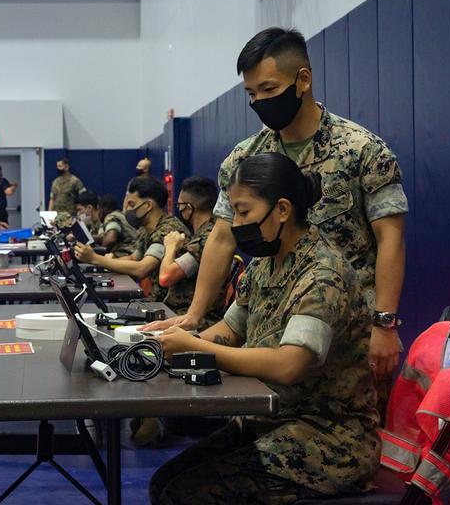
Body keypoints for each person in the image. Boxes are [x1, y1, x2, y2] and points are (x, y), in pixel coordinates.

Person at [144, 27, 409, 385]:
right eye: (251, 94)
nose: (260, 102)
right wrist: (193, 316)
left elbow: (390, 239)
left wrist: (385, 322)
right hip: (271, 333)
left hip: (348, 334)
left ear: (303, 79)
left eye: (269, 90)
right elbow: (221, 239)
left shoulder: (363, 151)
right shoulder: (245, 159)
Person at [150, 152, 379, 503]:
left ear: (282, 210)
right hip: (272, 420)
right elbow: (230, 328)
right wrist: (168, 344)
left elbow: (289, 365)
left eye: (244, 212)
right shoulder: (265, 266)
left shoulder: (322, 275)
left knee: (183, 495)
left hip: (327, 439)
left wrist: (195, 348)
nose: (236, 223)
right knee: (164, 482)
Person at [74, 177, 191, 312]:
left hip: (171, 309)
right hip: (155, 304)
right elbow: (133, 258)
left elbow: (142, 268)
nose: (126, 211)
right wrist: (103, 261)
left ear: (148, 206)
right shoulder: (146, 230)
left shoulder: (167, 230)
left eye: (131, 204)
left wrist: (95, 259)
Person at [158, 176, 227, 331]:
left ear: (188, 208)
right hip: (179, 314)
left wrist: (170, 246)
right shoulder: (203, 233)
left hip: (195, 319)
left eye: (179, 205)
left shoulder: (207, 238)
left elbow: (166, 277)